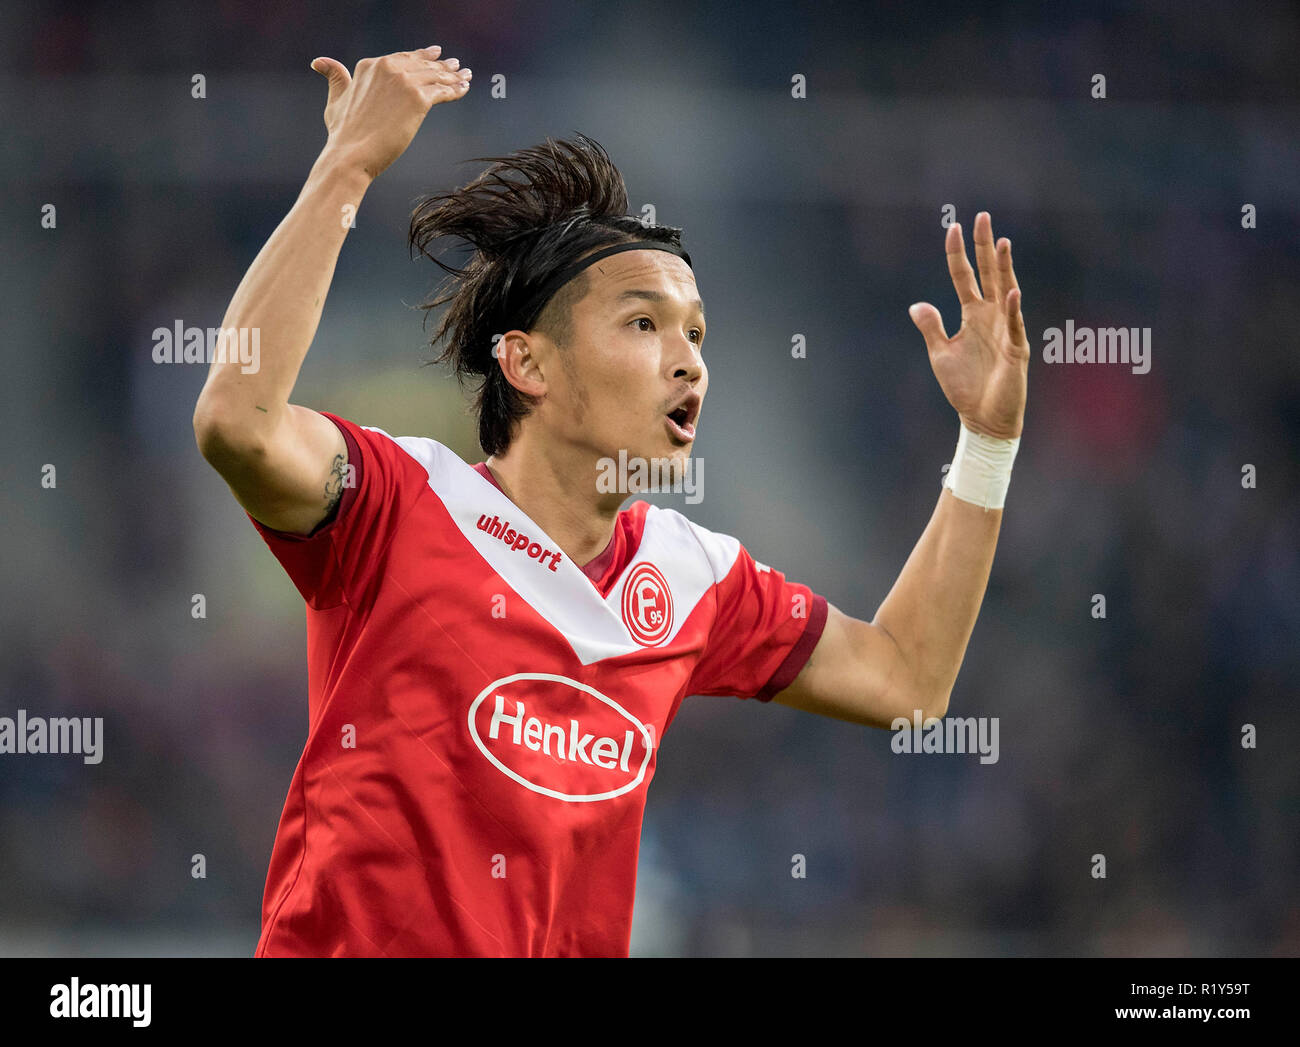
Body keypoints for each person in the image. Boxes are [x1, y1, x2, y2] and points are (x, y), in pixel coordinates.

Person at [193, 45, 1030, 957]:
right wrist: (345, 168)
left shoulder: (692, 577)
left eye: (697, 332)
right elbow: (237, 419)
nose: (689, 359)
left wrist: (985, 443)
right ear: (527, 362)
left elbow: (906, 679)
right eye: (643, 323)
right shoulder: (397, 500)